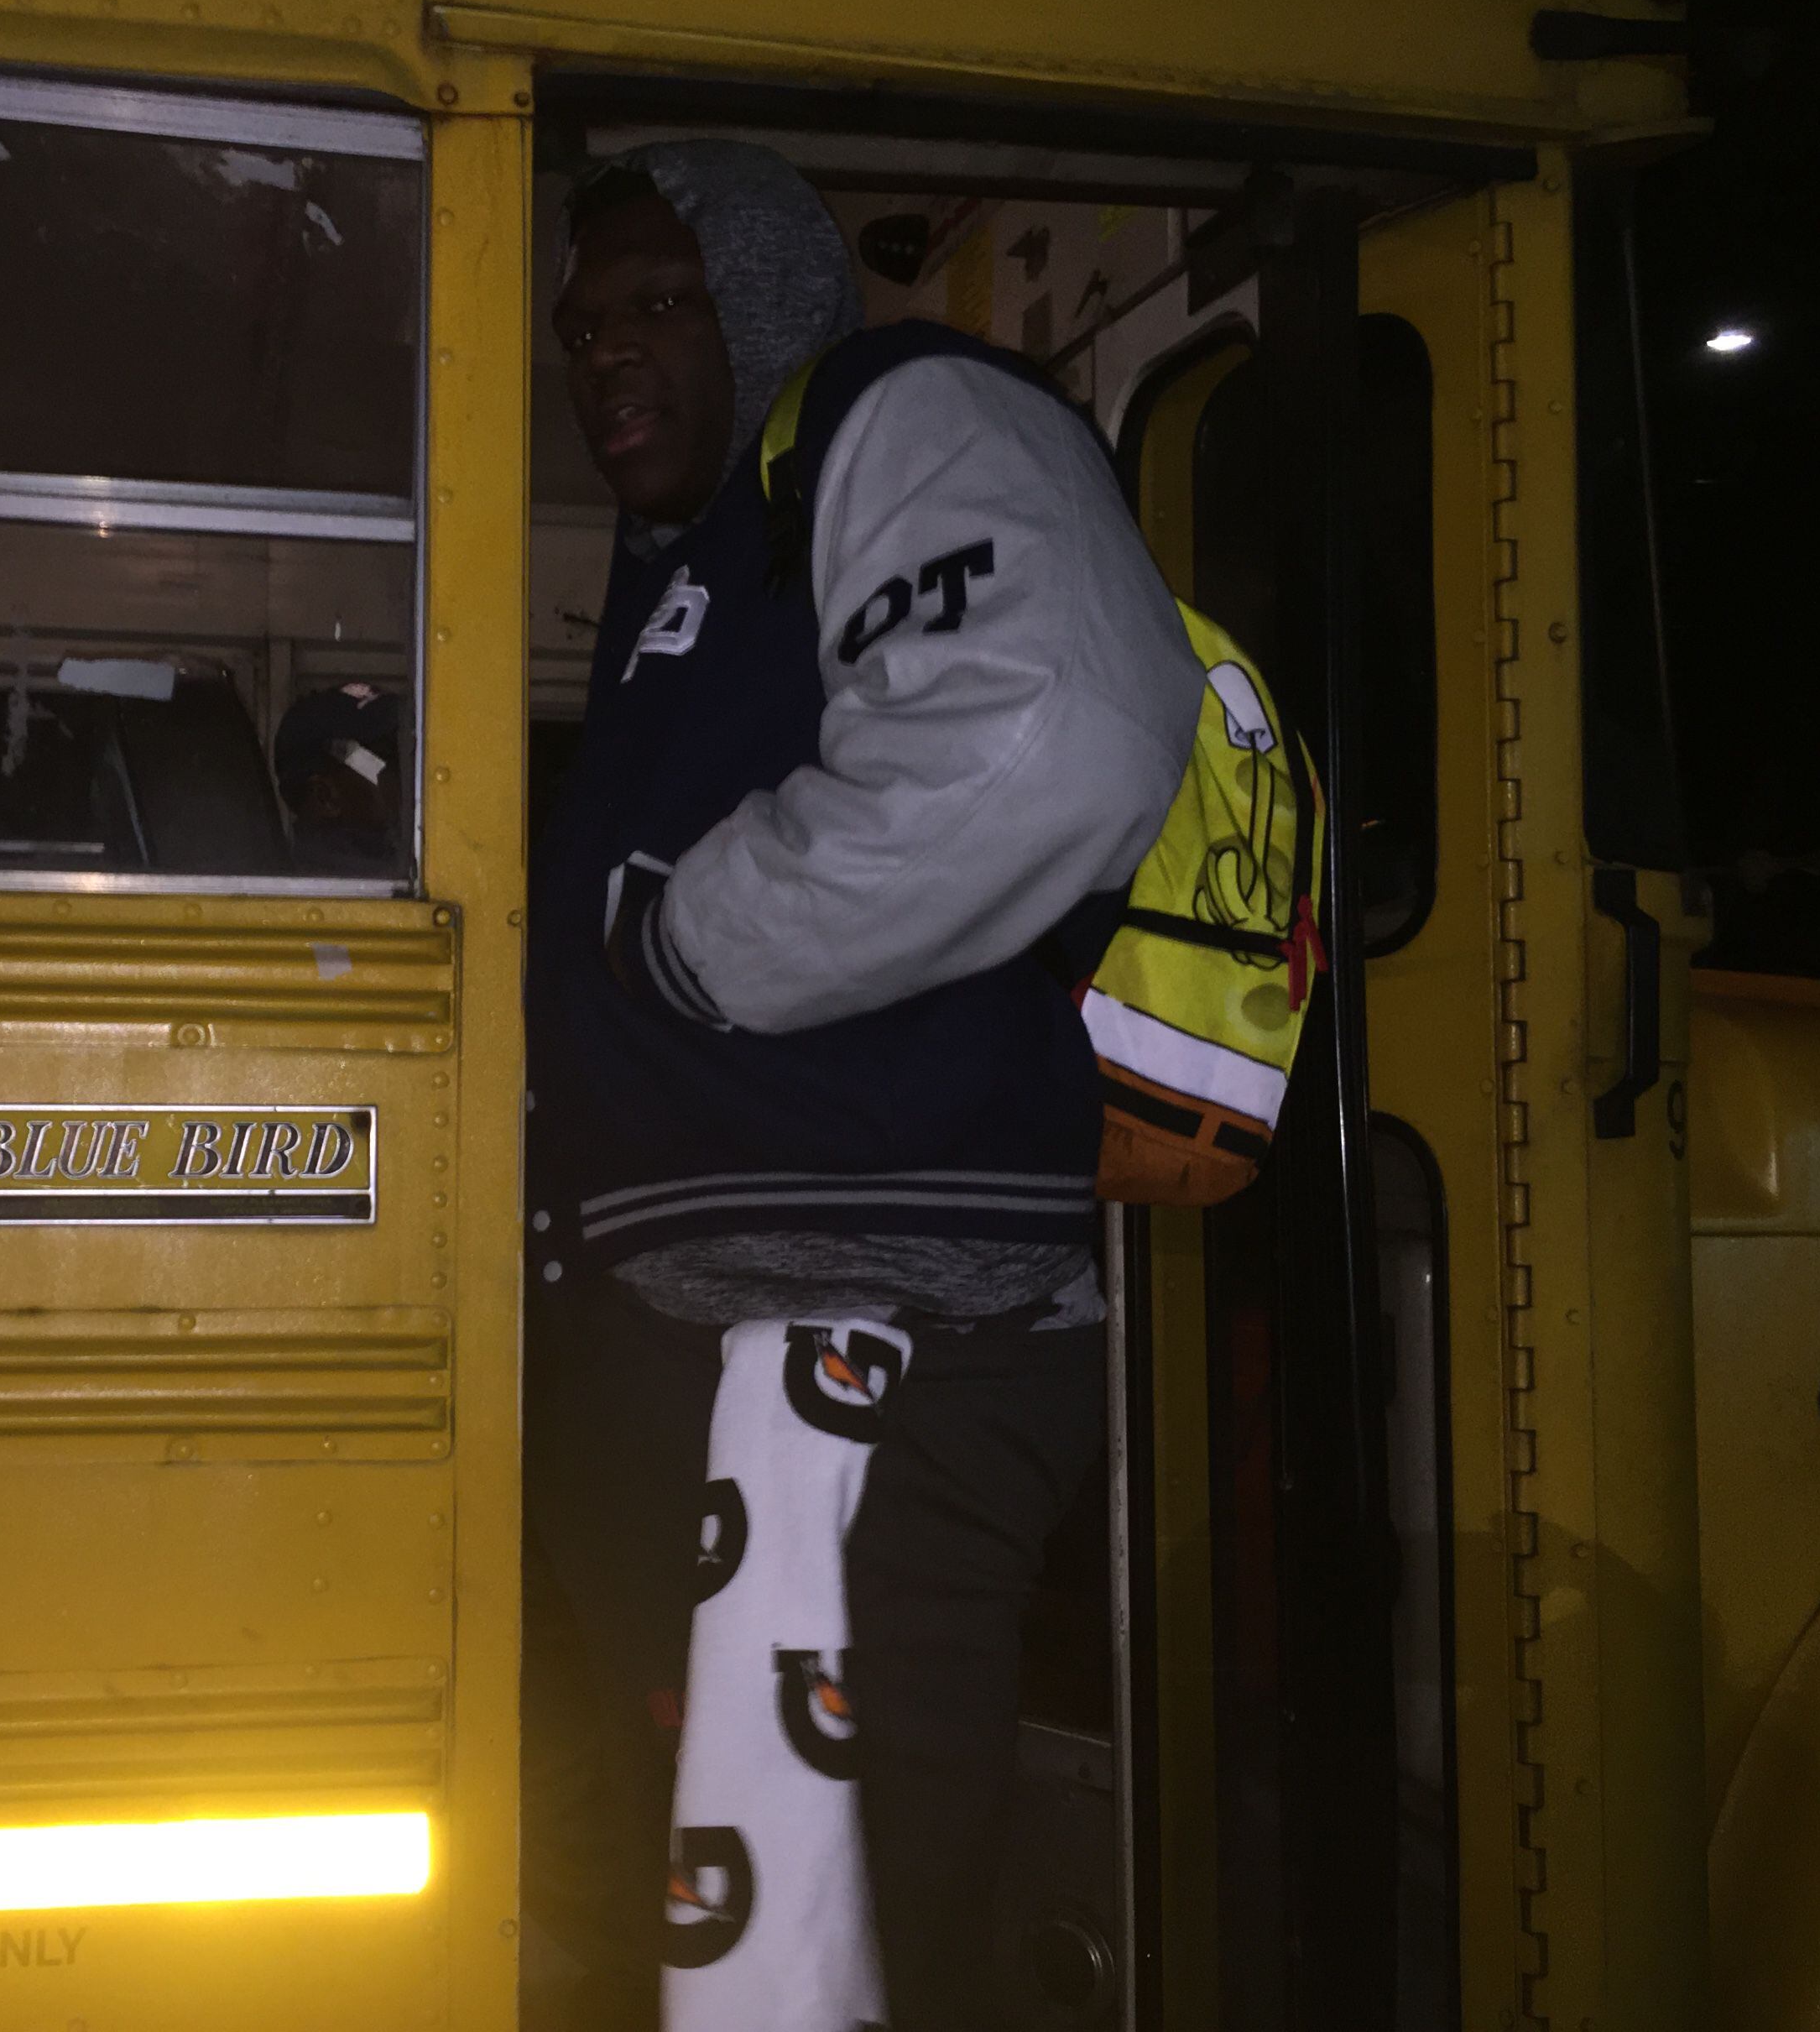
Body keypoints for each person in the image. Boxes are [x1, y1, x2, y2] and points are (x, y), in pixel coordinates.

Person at [521, 143, 1200, 2030]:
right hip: (730, 1323)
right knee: (746, 1872)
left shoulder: (897, 414)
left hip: (863, 1327)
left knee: (860, 1880)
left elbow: (1045, 741)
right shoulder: (704, 552)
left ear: (758, 301)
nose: (605, 357)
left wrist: (690, 945)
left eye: (659, 304)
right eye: (585, 325)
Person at [273, 679, 405, 875]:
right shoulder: (363, 892)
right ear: (324, 796)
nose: (407, 776)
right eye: (392, 758)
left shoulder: (403, 873)